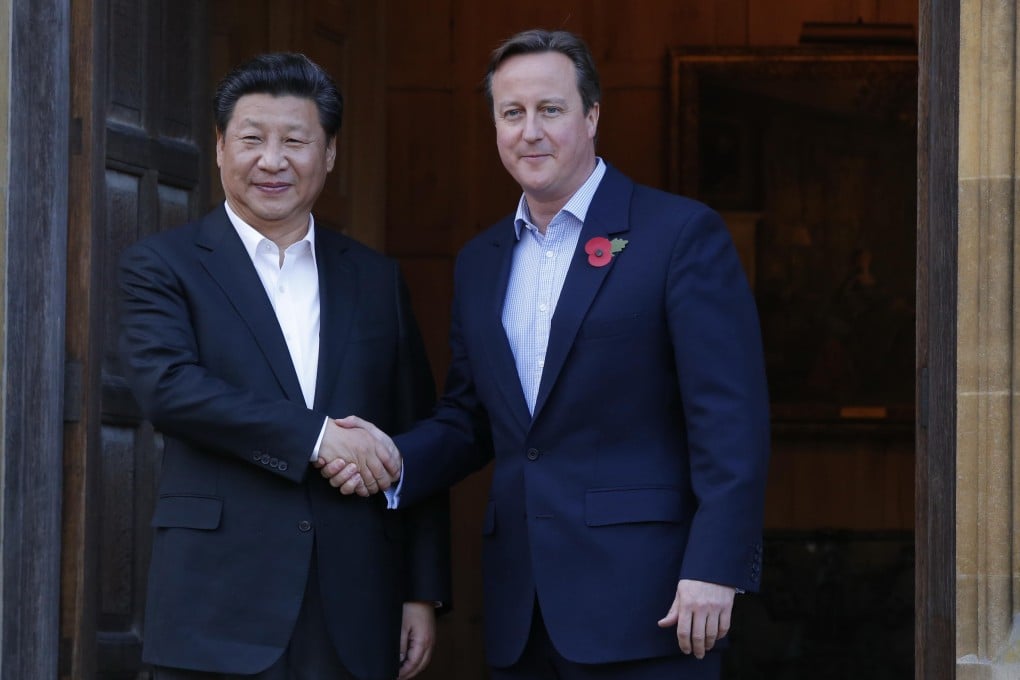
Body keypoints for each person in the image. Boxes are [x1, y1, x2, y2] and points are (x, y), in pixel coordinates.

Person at [326, 28, 770, 679]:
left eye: (550, 109)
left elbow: (730, 419)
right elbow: (472, 417)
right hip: (520, 610)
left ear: (592, 115)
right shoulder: (482, 261)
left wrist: (714, 566)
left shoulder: (677, 235)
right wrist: (393, 458)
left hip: (655, 604)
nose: (529, 131)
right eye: (512, 113)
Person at [118, 52, 450, 680]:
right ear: (219, 148)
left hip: (354, 602)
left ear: (328, 155)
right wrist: (319, 437)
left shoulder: (375, 279)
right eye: (251, 139)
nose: (272, 161)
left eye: (295, 141)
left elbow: (415, 431)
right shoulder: (163, 265)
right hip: (216, 606)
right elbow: (170, 389)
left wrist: (421, 589)